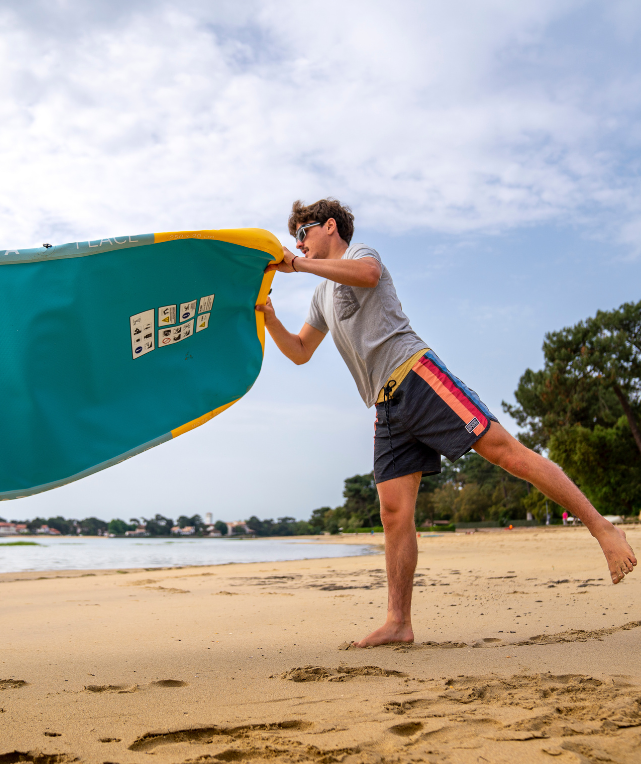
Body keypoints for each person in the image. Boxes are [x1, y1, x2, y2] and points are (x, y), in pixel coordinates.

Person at [256, 198, 637, 648]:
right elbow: (301, 351)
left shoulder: (362, 256)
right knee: (394, 513)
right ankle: (399, 622)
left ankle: (603, 528)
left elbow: (369, 277)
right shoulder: (320, 296)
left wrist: (297, 264)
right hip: (385, 406)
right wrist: (271, 318)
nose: (298, 242)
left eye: (304, 231)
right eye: (296, 237)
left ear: (331, 227)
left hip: (418, 376)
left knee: (506, 454)